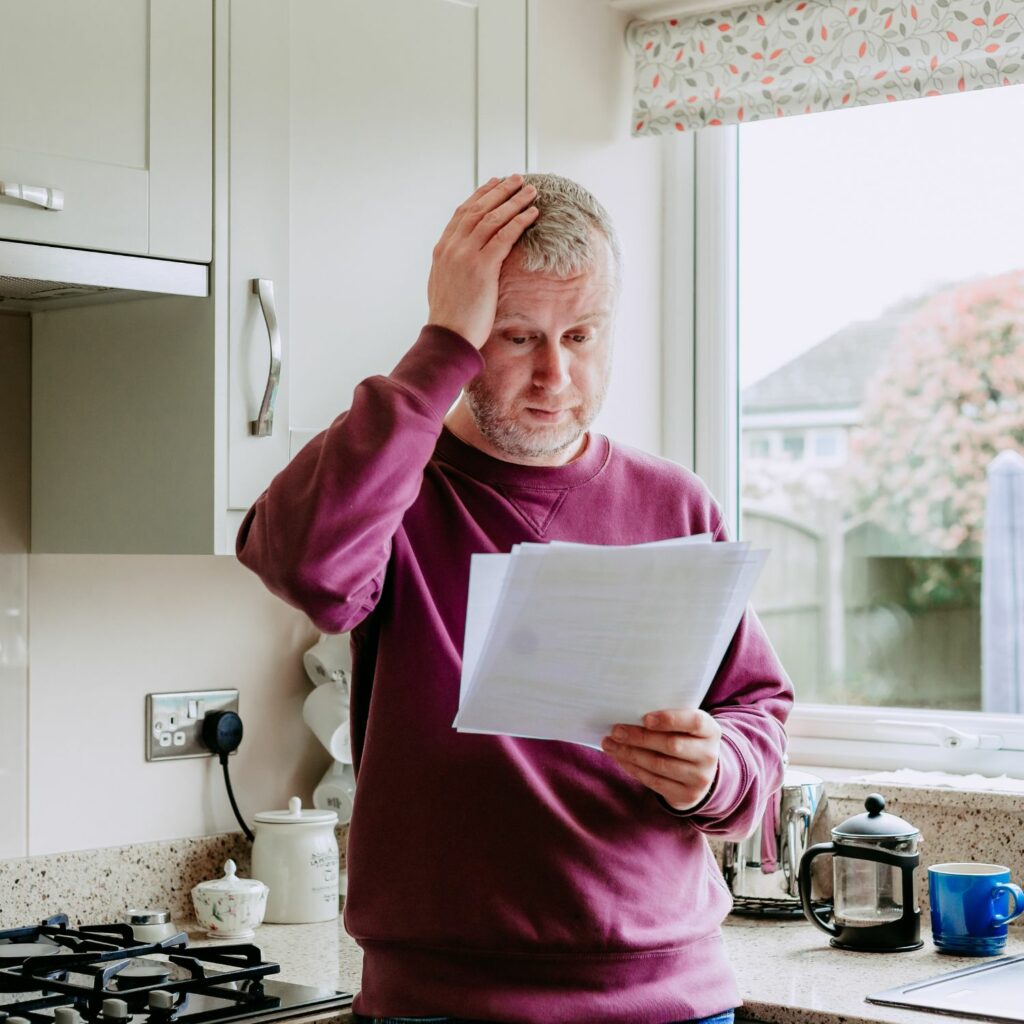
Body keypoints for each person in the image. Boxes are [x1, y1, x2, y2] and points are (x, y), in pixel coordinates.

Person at [236, 173, 793, 1024]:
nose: (554, 376)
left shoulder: (676, 503)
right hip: (442, 1003)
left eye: (582, 334)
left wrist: (717, 770)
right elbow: (305, 565)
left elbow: (756, 712)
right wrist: (438, 345)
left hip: (673, 1000)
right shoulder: (399, 488)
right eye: (516, 336)